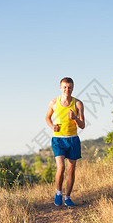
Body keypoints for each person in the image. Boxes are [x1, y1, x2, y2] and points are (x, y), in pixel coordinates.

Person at [46, 77, 85, 207]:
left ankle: (67, 197)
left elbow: (82, 125)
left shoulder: (78, 104)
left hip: (73, 139)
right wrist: (52, 127)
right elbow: (47, 118)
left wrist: (74, 118)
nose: (67, 90)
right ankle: (58, 193)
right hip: (58, 140)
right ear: (60, 88)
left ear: (73, 88)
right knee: (61, 167)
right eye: (64, 87)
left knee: (71, 170)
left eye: (69, 87)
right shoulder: (53, 102)